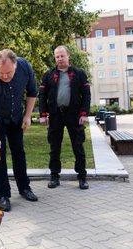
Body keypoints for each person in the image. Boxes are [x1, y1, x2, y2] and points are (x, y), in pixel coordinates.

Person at [0, 49, 38, 212]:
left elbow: (32, 92)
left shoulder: (25, 66)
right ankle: (4, 195)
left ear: (16, 65)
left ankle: (24, 188)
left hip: (16, 117)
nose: (5, 77)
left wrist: (27, 116)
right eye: (1, 73)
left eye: (9, 73)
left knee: (19, 152)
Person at [38, 45, 91, 190]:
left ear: (68, 56)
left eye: (62, 56)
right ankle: (54, 176)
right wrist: (43, 115)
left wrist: (84, 114)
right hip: (55, 116)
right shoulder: (48, 75)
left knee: (78, 146)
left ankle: (82, 177)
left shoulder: (79, 73)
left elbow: (86, 94)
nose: (60, 59)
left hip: (74, 115)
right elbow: (42, 96)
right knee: (54, 147)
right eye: (57, 56)